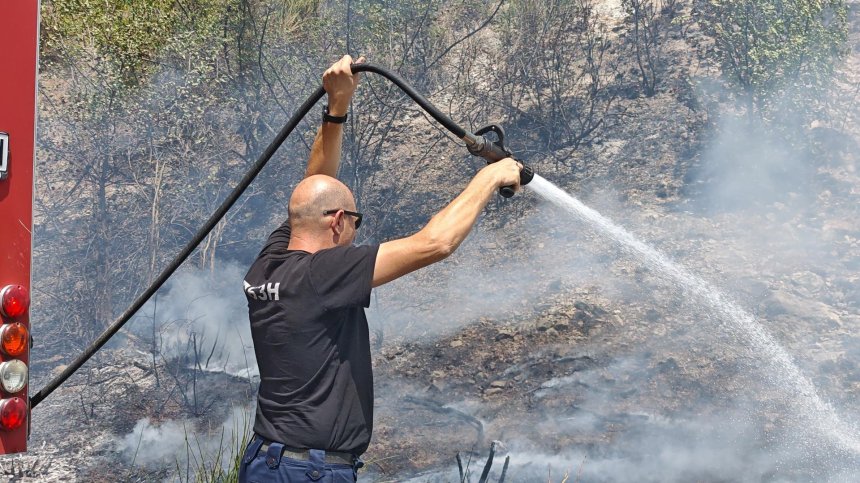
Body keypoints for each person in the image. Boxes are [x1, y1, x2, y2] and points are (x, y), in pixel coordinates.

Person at [239, 55, 522, 482]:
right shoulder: (323, 274)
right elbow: (435, 243)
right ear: (338, 221)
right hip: (308, 471)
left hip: (267, 460)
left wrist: (336, 107)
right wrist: (491, 177)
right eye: (356, 220)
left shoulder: (270, 264)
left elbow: (312, 190)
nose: (356, 231)